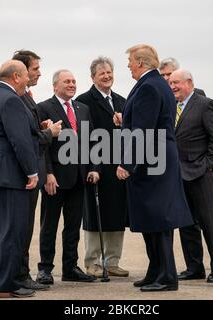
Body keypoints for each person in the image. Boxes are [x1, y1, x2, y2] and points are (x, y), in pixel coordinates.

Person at [115, 44, 193, 292]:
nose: (128, 65)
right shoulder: (155, 84)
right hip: (156, 159)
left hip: (153, 161)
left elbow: (144, 131)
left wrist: (128, 163)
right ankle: (156, 271)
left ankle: (167, 276)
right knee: (151, 219)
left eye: (130, 61)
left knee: (158, 219)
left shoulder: (149, 86)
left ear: (140, 62)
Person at [0, 60, 40, 298]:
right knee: (11, 232)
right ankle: (7, 286)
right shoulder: (11, 100)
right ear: (15, 76)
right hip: (9, 175)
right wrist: (32, 172)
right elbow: (20, 141)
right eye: (25, 76)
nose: (27, 81)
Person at [36, 70, 98, 284]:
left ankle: (71, 267)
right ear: (55, 86)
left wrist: (94, 167)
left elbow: (91, 142)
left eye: (73, 81)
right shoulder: (44, 108)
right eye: (67, 82)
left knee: (73, 226)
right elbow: (42, 146)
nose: (72, 84)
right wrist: (48, 174)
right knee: (49, 225)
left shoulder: (83, 109)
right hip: (56, 179)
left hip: (80, 179)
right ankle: (45, 269)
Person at [169, 69, 213, 283]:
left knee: (208, 222)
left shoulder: (205, 104)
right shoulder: (172, 107)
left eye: (176, 83)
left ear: (189, 82)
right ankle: (194, 268)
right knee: (186, 224)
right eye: (170, 83)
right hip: (178, 176)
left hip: (201, 175)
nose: (172, 86)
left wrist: (208, 167)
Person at [12, 50, 62, 291]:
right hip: (24, 175)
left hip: (32, 173)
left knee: (26, 227)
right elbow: (25, 139)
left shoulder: (26, 97)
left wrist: (39, 127)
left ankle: (23, 274)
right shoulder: (16, 98)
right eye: (35, 69)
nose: (39, 73)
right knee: (22, 228)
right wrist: (49, 133)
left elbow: (28, 131)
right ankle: (20, 276)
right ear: (20, 72)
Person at [76, 56, 129, 278]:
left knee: (117, 215)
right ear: (93, 77)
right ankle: (93, 262)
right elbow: (85, 138)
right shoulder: (83, 101)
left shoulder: (122, 101)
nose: (107, 76)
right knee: (95, 215)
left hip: (118, 169)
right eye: (102, 74)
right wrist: (92, 166)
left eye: (109, 72)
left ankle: (112, 261)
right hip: (95, 169)